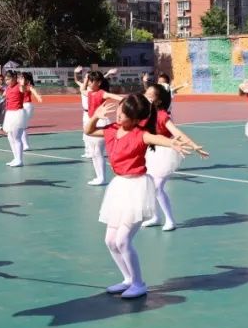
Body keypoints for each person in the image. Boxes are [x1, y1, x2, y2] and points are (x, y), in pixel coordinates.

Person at [84, 96, 193, 298]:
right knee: (110, 240)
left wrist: (173, 144)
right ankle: (127, 279)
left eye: (123, 112)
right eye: (119, 109)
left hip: (137, 188)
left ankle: (139, 284)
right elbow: (88, 131)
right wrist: (95, 116)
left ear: (135, 119)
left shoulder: (139, 134)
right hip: (119, 187)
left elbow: (157, 138)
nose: (118, 113)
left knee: (123, 240)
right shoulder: (111, 130)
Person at [142, 84, 210, 231]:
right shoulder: (145, 113)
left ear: (158, 100)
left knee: (157, 187)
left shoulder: (162, 115)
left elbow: (177, 132)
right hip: (151, 151)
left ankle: (170, 220)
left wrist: (193, 145)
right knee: (150, 186)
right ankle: (155, 216)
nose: (145, 96)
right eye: (145, 93)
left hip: (165, 152)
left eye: (149, 95)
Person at [1, 70, 27, 167]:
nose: (6, 81)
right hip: (9, 114)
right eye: (6, 79)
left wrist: (23, 84)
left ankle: (19, 160)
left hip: (17, 114)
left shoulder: (19, 86)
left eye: (8, 79)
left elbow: (23, 90)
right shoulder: (8, 88)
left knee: (17, 138)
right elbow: (2, 95)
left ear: (14, 78)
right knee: (10, 137)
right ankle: (16, 158)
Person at [18, 72, 43, 152]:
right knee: (22, 126)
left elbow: (33, 91)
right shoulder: (19, 86)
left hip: (27, 106)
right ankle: (24, 144)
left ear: (25, 79)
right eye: (20, 77)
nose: (20, 79)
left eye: (21, 78)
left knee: (22, 126)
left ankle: (25, 145)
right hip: (25, 107)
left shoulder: (28, 86)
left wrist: (37, 96)